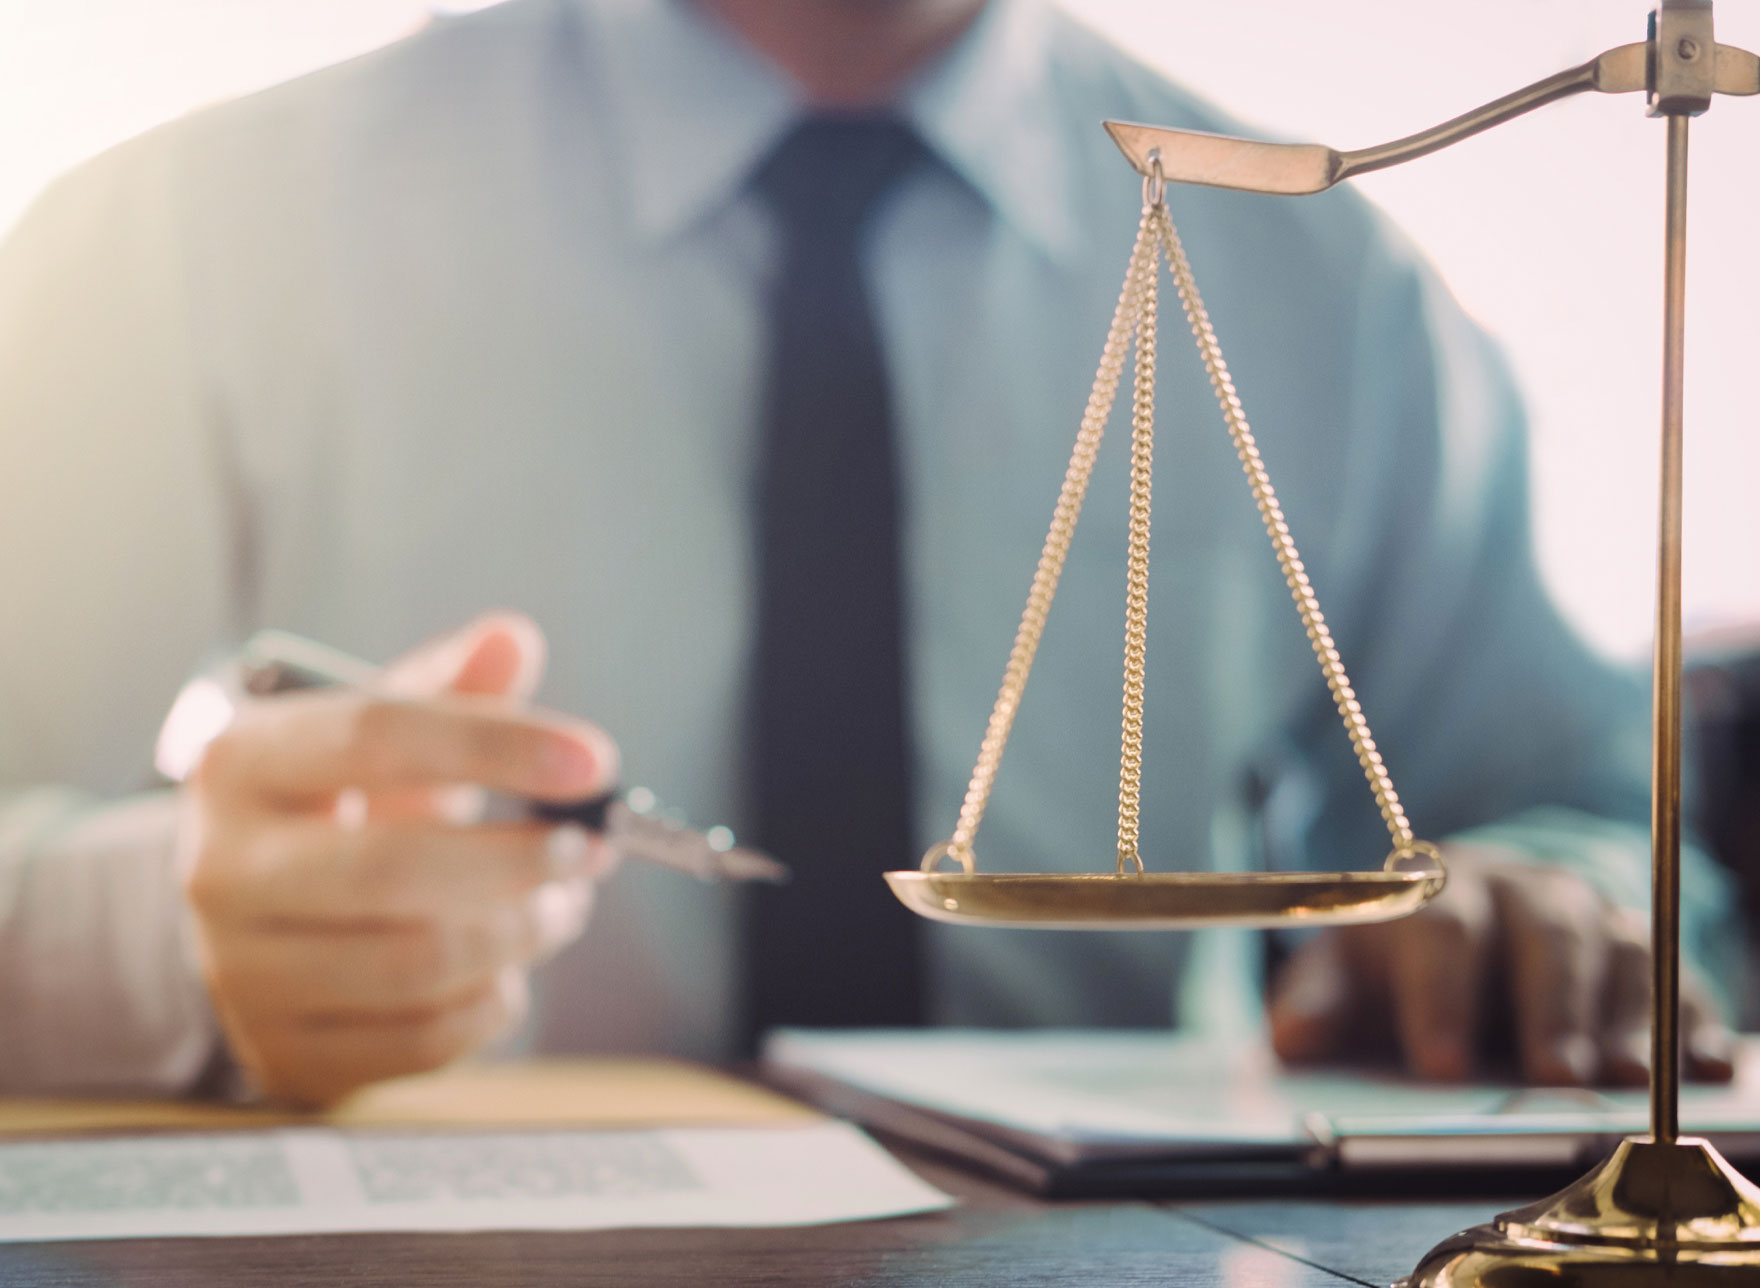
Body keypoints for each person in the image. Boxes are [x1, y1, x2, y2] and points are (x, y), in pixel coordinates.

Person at [0, 0, 1737, 1106]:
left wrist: (1542, 899)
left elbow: (1588, 820)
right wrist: (171, 941)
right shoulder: (163, 250)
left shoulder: (1328, 288)